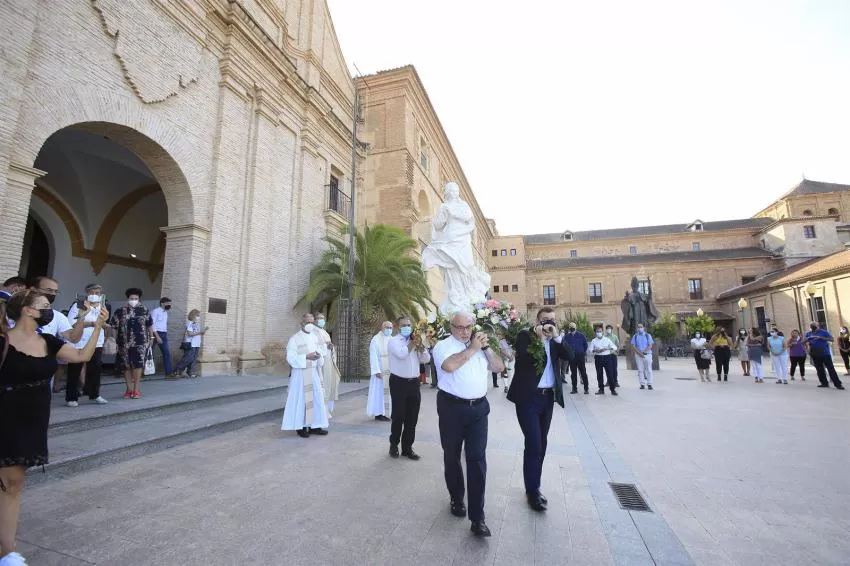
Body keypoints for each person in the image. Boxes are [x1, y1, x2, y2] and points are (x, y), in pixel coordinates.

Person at [0, 290, 107, 566]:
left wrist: (97, 326)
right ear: (28, 310)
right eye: (45, 305)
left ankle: (7, 552)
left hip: (34, 419)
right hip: (6, 415)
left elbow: (81, 355)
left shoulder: (48, 341)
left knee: (14, 482)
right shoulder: (3, 341)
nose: (49, 310)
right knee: (9, 481)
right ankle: (7, 550)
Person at [433, 311, 504, 538]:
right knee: (452, 454)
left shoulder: (481, 345)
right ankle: (456, 497)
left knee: (477, 458)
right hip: (451, 408)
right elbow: (450, 366)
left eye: (469, 326)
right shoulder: (443, 346)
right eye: (460, 327)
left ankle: (478, 517)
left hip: (478, 409)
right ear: (451, 327)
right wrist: (473, 348)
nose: (465, 331)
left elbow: (498, 367)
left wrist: (486, 348)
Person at [507, 307, 572, 512]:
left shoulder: (555, 340)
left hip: (547, 398)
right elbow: (524, 359)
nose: (548, 323)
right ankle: (533, 491)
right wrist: (539, 339)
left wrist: (557, 337)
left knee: (542, 443)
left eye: (552, 320)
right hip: (527, 399)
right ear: (537, 321)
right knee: (534, 444)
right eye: (544, 320)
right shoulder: (525, 336)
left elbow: (571, 355)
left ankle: (535, 484)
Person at [420, 182, 491, 315]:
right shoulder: (444, 206)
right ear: (447, 193)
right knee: (451, 268)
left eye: (455, 190)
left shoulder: (463, 206)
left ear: (458, 193)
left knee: (465, 267)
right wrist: (442, 213)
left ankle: (465, 297)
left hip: (462, 240)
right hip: (450, 238)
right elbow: (438, 225)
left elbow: (468, 217)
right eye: (450, 190)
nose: (453, 193)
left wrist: (452, 212)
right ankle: (455, 299)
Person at [387, 316, 430, 460]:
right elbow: (401, 354)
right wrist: (413, 342)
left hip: (414, 383)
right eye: (403, 325)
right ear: (397, 327)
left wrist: (421, 347)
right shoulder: (393, 341)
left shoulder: (415, 341)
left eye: (409, 325)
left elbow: (426, 359)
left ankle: (407, 448)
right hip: (398, 382)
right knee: (398, 416)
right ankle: (394, 445)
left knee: (412, 417)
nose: (407, 327)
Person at [281, 314, 329, 437]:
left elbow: (321, 353)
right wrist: (306, 357)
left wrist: (318, 356)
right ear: (301, 323)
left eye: (312, 322)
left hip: (313, 372)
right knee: (302, 400)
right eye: (307, 322)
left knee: (316, 398)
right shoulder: (294, 339)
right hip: (300, 374)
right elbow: (290, 357)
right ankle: (301, 426)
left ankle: (315, 426)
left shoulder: (315, 337)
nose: (310, 325)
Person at [65, 284, 108, 406]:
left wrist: (104, 324)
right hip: (79, 342)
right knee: (75, 369)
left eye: (97, 293)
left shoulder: (103, 306)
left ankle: (94, 394)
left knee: (95, 369)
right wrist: (92, 324)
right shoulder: (79, 305)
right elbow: (72, 323)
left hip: (96, 342)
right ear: (87, 293)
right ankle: (72, 397)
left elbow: (104, 322)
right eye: (92, 292)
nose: (94, 295)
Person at [109, 288, 154, 399]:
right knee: (126, 366)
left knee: (138, 366)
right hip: (123, 343)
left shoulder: (144, 310)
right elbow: (113, 326)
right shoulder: (120, 311)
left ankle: (136, 389)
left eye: (136, 298)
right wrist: (114, 340)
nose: (133, 300)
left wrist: (151, 338)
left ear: (139, 299)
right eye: (131, 298)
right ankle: (129, 389)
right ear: (128, 298)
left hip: (140, 342)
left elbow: (149, 325)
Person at [312, 313, 340, 417]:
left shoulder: (324, 332)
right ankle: (321, 410)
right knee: (323, 385)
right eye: (319, 318)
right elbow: (314, 347)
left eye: (323, 319)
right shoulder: (313, 332)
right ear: (314, 320)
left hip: (329, 362)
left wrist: (331, 348)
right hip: (321, 363)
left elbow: (328, 346)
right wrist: (326, 347)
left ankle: (327, 409)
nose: (322, 320)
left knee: (330, 384)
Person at [804, 322, 844, 389]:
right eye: (811, 325)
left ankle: (838, 384)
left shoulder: (823, 332)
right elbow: (803, 341)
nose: (812, 326)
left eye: (814, 325)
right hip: (814, 353)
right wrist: (808, 339)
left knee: (830, 369)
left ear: (818, 325)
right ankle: (824, 383)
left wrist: (821, 337)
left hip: (825, 353)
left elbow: (832, 339)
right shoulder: (808, 333)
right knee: (819, 369)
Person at [367, 321, 393, 421]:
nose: (389, 329)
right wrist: (376, 371)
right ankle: (379, 413)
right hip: (380, 373)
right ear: (382, 328)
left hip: (390, 372)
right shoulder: (376, 339)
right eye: (387, 327)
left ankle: (389, 412)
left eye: (390, 327)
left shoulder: (391, 339)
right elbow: (373, 356)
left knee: (389, 393)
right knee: (379, 393)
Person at [171, 309, 207, 379]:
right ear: (193, 315)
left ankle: (190, 372)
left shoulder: (197, 324)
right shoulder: (189, 323)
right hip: (190, 344)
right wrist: (200, 332)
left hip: (196, 343)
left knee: (193, 359)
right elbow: (190, 334)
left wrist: (203, 331)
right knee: (188, 358)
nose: (198, 317)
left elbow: (198, 333)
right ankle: (176, 370)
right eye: (197, 315)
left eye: (199, 316)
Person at [563, 322, 589, 394]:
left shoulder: (581, 335)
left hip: (580, 356)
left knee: (583, 372)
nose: (572, 327)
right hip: (572, 357)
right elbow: (564, 346)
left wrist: (582, 352)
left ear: (575, 327)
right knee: (573, 373)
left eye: (573, 326)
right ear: (569, 328)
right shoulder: (566, 337)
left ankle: (586, 389)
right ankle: (574, 388)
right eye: (570, 326)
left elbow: (585, 345)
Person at [591, 326, 619, 394]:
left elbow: (614, 347)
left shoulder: (607, 340)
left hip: (607, 357)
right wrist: (596, 350)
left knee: (610, 374)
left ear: (602, 332)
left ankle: (612, 390)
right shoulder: (594, 340)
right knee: (599, 374)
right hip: (598, 358)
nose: (599, 333)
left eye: (600, 331)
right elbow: (591, 350)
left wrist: (607, 348)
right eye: (597, 332)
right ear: (595, 333)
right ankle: (601, 389)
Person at [151, 297, 173, 377]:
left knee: (166, 353)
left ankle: (169, 373)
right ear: (162, 303)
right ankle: (143, 372)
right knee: (149, 353)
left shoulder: (166, 312)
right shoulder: (155, 311)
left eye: (170, 303)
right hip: (155, 334)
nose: (169, 305)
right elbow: (152, 324)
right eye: (167, 303)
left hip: (164, 334)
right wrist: (157, 336)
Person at [630, 323, 654, 390]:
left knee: (649, 369)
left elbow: (650, 345)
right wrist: (639, 353)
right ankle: (642, 384)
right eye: (638, 327)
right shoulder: (635, 336)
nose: (639, 328)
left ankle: (649, 384)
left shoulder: (647, 335)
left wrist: (643, 352)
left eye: (641, 327)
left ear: (643, 328)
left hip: (647, 354)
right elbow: (633, 346)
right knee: (640, 370)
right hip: (638, 355)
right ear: (637, 328)